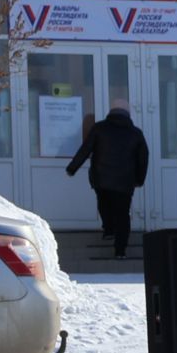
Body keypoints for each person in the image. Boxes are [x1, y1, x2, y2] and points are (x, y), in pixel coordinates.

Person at [64, 99, 149, 258]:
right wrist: (140, 179)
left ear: (110, 112)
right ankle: (120, 250)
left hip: (101, 178)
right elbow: (143, 158)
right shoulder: (135, 133)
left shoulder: (99, 129)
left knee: (104, 203)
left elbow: (85, 150)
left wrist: (72, 168)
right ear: (128, 114)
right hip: (125, 181)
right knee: (123, 213)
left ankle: (109, 229)